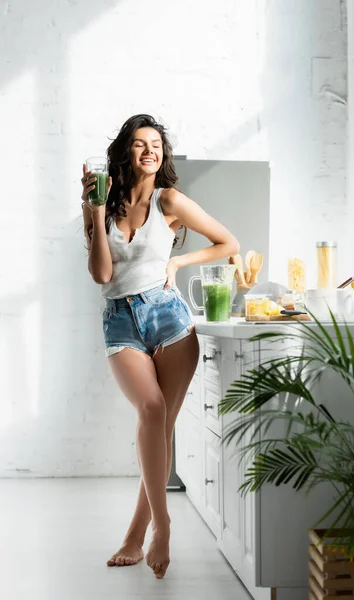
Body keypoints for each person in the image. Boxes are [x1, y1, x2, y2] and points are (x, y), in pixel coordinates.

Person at [81, 114, 239, 580]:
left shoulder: (170, 200)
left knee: (161, 424)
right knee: (151, 411)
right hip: (121, 320)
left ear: (163, 154)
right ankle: (163, 524)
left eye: (155, 144)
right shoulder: (104, 203)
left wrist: (179, 261)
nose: (148, 150)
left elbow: (227, 243)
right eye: (138, 144)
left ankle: (138, 535)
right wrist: (91, 210)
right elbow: (103, 275)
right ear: (125, 153)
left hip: (169, 318)